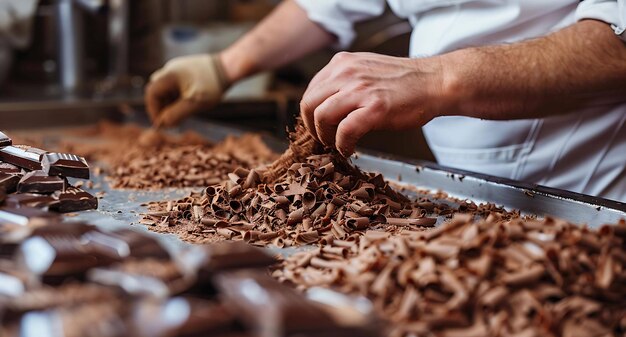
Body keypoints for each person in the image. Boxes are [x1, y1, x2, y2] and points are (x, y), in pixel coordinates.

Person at [145, 0, 626, 202]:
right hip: (460, 187)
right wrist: (225, 66)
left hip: (591, 178)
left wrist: (437, 76)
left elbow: (617, 41)